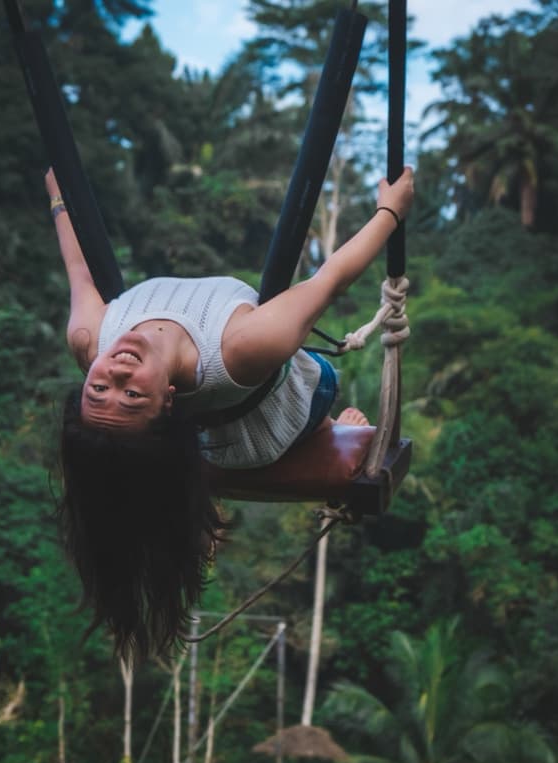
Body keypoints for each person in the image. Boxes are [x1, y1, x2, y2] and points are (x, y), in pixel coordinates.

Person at [47, 167, 414, 661]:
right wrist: (390, 211)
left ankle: (186, 493)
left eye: (99, 387)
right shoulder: (245, 346)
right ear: (168, 402)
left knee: (148, 452)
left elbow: (79, 268)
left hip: (206, 433)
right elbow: (329, 279)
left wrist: (59, 194)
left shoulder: (90, 341)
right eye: (131, 394)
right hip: (281, 421)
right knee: (315, 383)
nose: (117, 370)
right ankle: (326, 431)